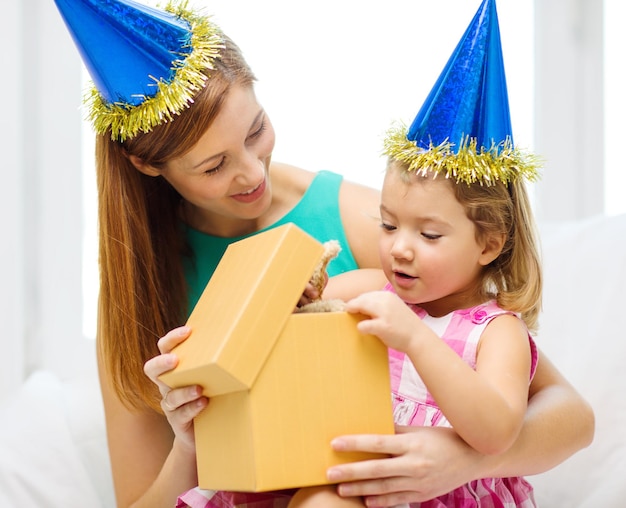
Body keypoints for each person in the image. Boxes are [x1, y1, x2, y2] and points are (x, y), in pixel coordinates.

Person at [51, 0, 593, 507]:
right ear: (148, 165)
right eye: (214, 166)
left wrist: (459, 460)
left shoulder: (370, 224)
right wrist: (191, 448)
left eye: (257, 130)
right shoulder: (138, 289)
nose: (252, 171)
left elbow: (565, 413)